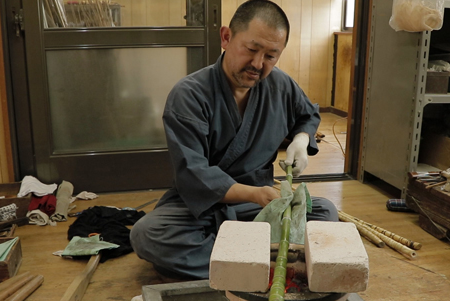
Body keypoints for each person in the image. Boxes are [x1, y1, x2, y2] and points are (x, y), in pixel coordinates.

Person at [129, 0, 338, 279]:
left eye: (271, 56)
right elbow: (193, 174)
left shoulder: (281, 85)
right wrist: (255, 194)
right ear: (226, 37)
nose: (258, 64)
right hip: (202, 205)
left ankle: (235, 262)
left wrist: (301, 138)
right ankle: (269, 263)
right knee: (149, 234)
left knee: (324, 211)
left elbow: (307, 114)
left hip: (259, 205)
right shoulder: (189, 95)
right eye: (251, 50)